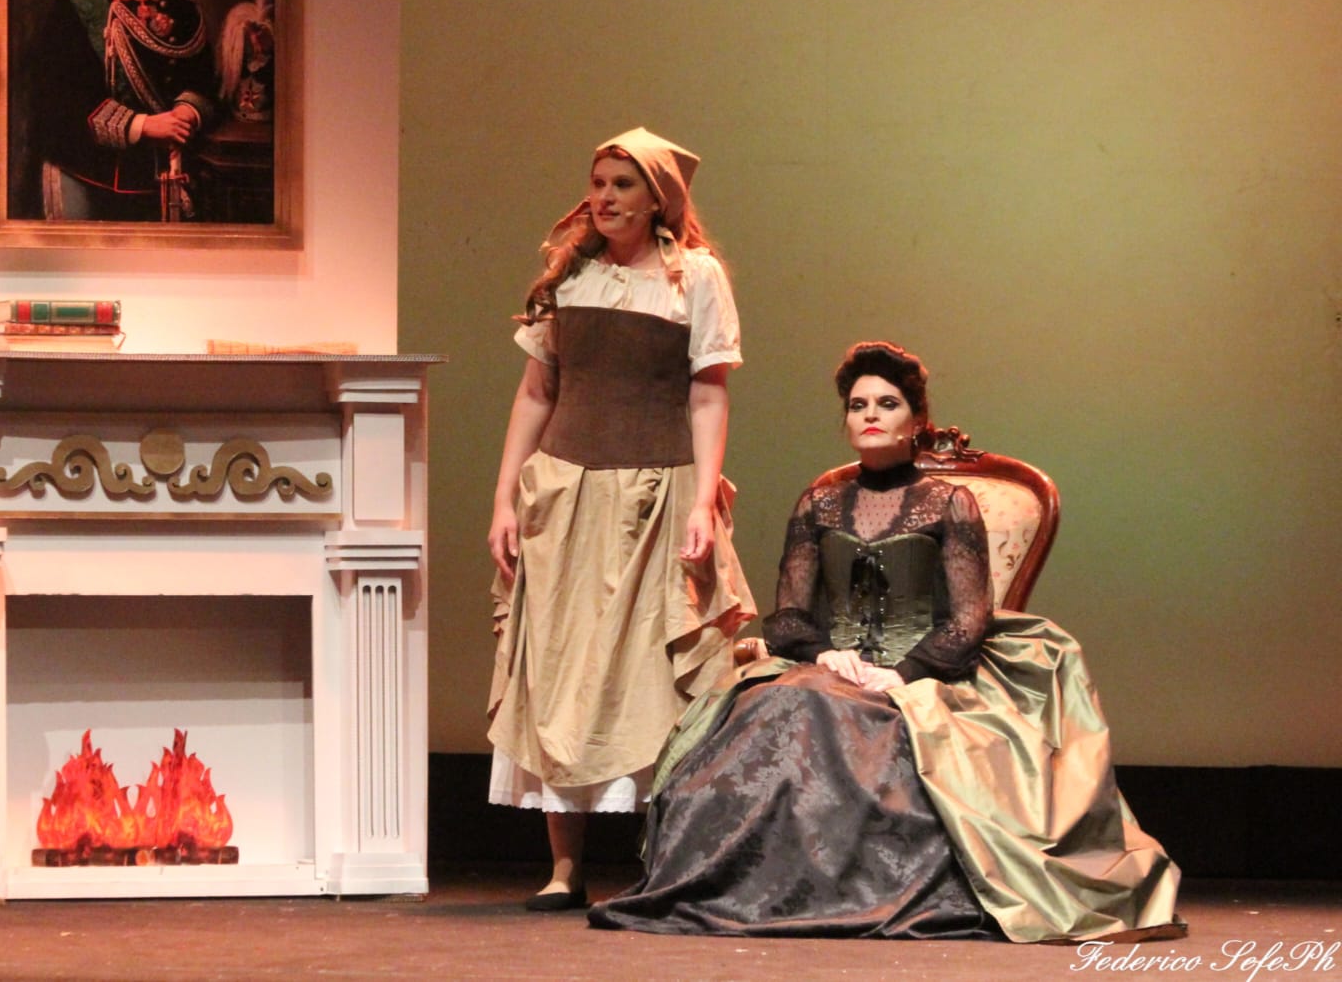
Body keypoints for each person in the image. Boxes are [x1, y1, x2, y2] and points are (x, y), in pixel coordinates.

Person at [589, 341, 1183, 942]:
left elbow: (969, 619)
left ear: (916, 420)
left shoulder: (949, 503)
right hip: (831, 668)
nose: (870, 414)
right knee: (775, 703)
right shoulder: (819, 502)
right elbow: (788, 616)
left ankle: (850, 891)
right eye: (858, 405)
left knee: (827, 712)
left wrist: (901, 673)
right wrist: (824, 653)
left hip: (922, 675)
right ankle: (760, 891)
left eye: (887, 403)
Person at [486, 127, 757, 911]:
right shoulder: (571, 275)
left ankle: (662, 860)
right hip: (567, 492)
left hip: (656, 493)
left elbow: (707, 394)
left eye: (622, 184)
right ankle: (564, 866)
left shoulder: (692, 277)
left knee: (652, 671)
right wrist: (505, 498)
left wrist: (701, 500)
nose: (603, 197)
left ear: (657, 198)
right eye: (598, 181)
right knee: (559, 666)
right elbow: (537, 392)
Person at [27, 0, 219, 222]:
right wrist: (144, 125)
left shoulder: (185, 10)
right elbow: (60, 99)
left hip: (169, 174)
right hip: (95, 175)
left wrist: (184, 115)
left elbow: (203, 80)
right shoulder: (72, 6)